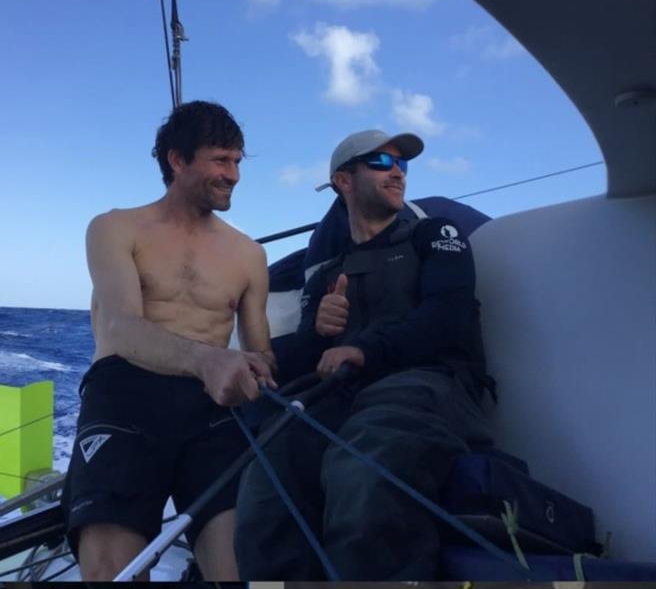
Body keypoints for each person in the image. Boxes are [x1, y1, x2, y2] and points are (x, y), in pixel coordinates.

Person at [235, 129, 494, 580]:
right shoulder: (327, 274)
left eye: (402, 164)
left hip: (428, 386)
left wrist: (363, 347)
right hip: (346, 398)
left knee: (361, 465)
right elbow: (311, 353)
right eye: (380, 161)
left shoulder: (436, 235)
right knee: (267, 478)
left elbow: (447, 315)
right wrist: (314, 335)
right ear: (344, 181)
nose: (397, 172)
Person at [61, 100, 276, 581]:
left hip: (210, 412)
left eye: (238, 161)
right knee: (112, 570)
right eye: (221, 160)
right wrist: (208, 361)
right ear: (177, 160)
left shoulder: (249, 255)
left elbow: (260, 350)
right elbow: (120, 328)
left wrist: (258, 365)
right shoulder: (115, 228)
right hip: (125, 397)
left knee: (241, 565)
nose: (234, 174)